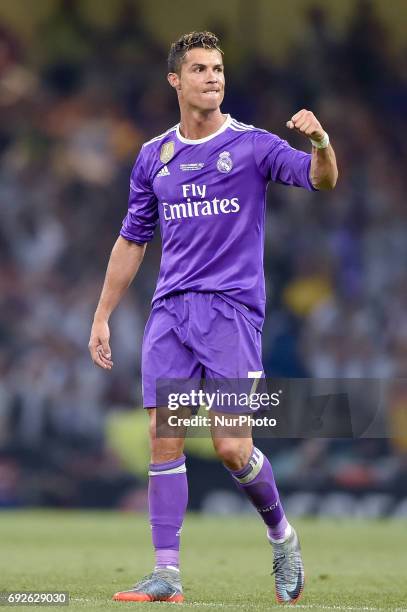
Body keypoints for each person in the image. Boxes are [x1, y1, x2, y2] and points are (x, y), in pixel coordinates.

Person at [88, 31, 338, 605]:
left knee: (230, 447)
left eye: (219, 68)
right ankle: (167, 575)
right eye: (200, 69)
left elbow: (323, 180)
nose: (213, 78)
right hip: (171, 314)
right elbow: (132, 240)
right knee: (163, 437)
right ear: (175, 81)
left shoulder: (252, 146)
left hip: (230, 315)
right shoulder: (154, 156)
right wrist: (102, 315)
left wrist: (321, 141)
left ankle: (282, 537)